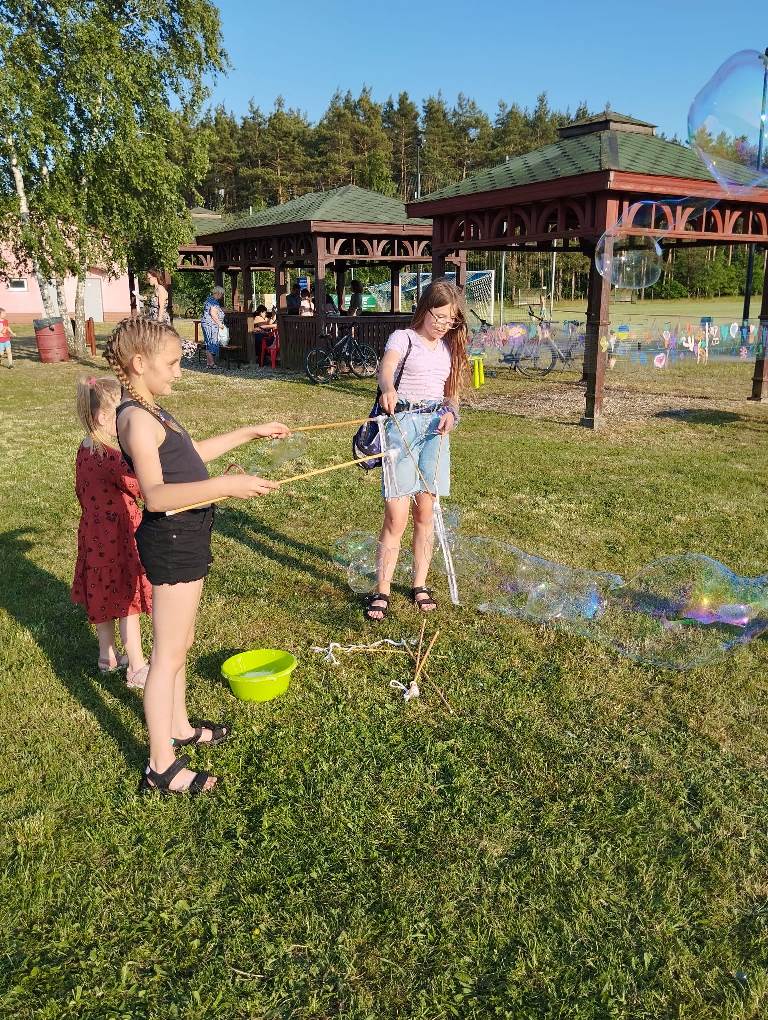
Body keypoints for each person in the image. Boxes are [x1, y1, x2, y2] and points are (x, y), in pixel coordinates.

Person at [105, 316, 290, 795]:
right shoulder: (136, 419)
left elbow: (191, 457)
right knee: (165, 654)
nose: (178, 372)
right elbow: (157, 496)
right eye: (171, 363)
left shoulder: (155, 411)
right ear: (139, 363)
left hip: (188, 534)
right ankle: (161, 765)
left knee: (180, 642)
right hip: (172, 539)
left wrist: (246, 432)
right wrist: (228, 486)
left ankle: (181, 726)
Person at [365, 279, 468, 621]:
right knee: (397, 516)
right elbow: (387, 369)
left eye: (449, 320)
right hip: (401, 425)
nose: (441, 325)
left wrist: (452, 413)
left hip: (435, 430)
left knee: (426, 513)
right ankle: (381, 589)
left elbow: (451, 392)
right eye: (437, 316)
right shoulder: (403, 338)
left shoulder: (449, 348)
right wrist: (389, 389)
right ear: (424, 309)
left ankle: (419, 584)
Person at [71, 376, 152, 688]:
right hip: (117, 536)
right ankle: (137, 665)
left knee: (102, 593)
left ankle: (107, 656)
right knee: (126, 599)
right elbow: (141, 487)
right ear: (104, 417)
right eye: (121, 412)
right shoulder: (112, 457)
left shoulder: (85, 447)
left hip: (93, 533)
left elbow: (81, 490)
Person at [201, 285, 225, 369]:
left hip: (207, 324)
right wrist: (220, 324)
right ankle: (212, 363)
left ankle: (209, 363)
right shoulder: (213, 301)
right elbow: (213, 314)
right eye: (222, 294)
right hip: (210, 325)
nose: (222, 296)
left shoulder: (209, 299)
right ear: (218, 293)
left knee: (208, 343)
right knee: (212, 342)